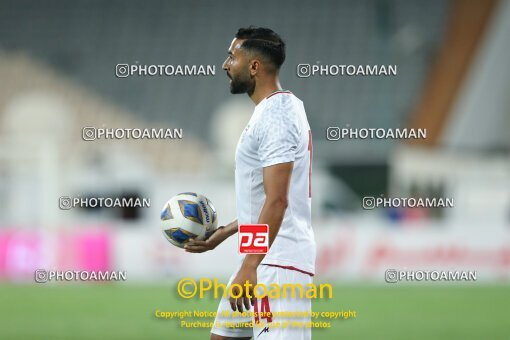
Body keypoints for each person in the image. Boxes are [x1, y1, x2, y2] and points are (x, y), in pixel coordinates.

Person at [185, 26, 316, 340]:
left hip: (278, 266)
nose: (225, 65)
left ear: (254, 66)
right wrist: (226, 232)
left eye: (232, 57)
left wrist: (250, 265)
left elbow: (278, 201)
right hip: (263, 260)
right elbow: (262, 199)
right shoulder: (276, 110)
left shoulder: (276, 118)